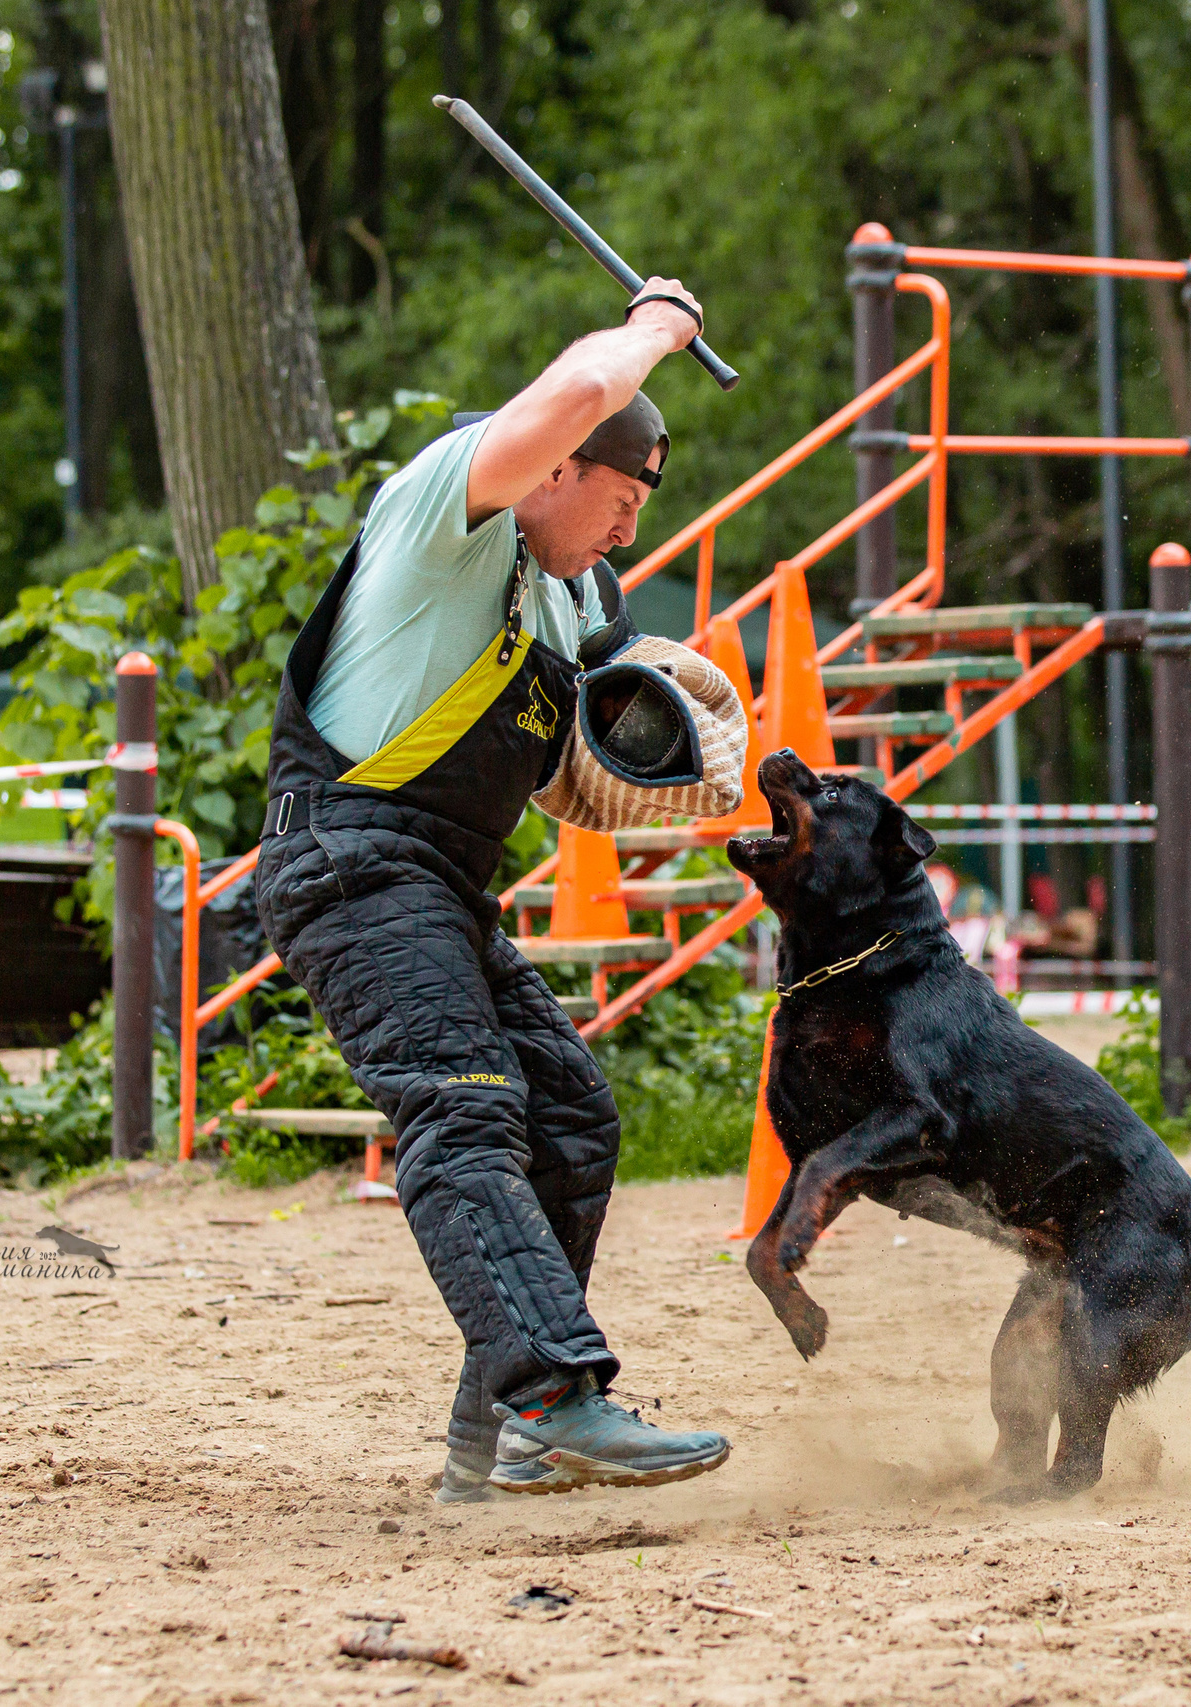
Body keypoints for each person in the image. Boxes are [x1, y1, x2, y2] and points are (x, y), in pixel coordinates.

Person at [254, 277, 733, 1504]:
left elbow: (582, 742)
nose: (628, 529)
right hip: (347, 861)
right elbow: (580, 389)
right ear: (554, 469)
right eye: (621, 497)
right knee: (464, 1110)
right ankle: (556, 1396)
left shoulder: (568, 599)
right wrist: (658, 327)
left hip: (433, 883)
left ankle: (505, 1438)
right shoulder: (436, 510)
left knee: (572, 1116)